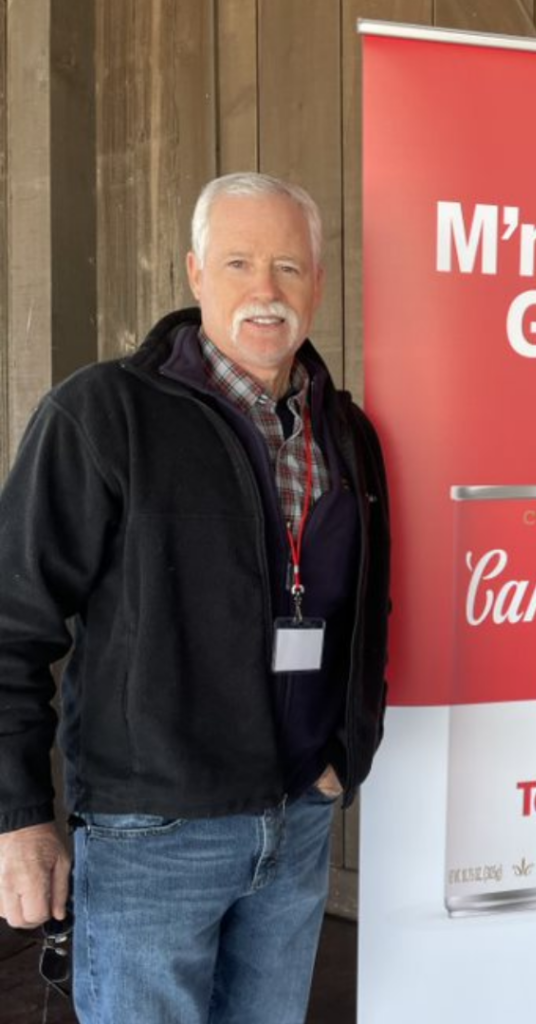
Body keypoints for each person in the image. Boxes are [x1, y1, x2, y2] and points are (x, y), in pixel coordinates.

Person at [0, 172, 390, 1023]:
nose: (266, 291)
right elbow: (10, 627)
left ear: (318, 284)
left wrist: (345, 758)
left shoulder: (347, 433)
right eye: (240, 261)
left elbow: (370, 613)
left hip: (298, 822)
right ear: (194, 272)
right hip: (155, 838)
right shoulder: (103, 415)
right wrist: (19, 817)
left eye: (290, 268)